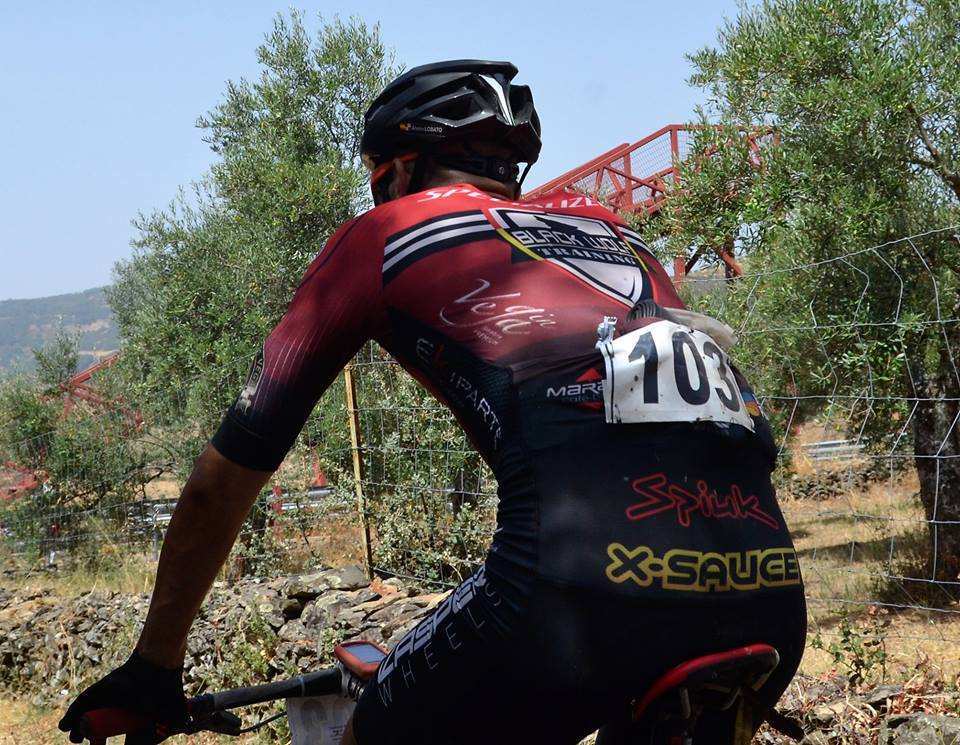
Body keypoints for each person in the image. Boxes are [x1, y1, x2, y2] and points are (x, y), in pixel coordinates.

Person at [59, 59, 806, 745]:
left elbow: (221, 483)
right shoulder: (621, 239)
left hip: (570, 595)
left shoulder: (384, 235)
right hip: (771, 600)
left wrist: (154, 667)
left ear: (398, 170)